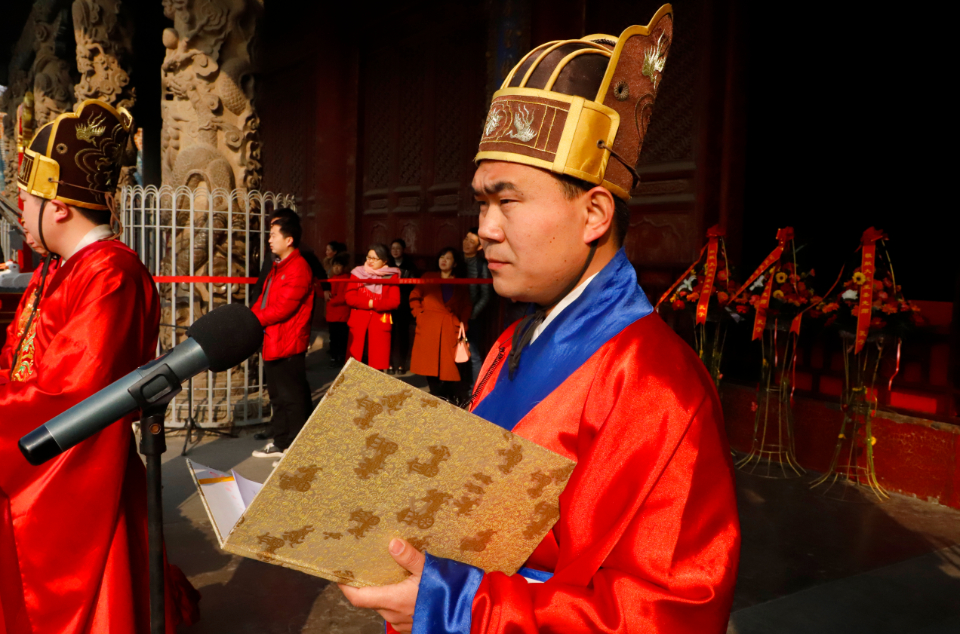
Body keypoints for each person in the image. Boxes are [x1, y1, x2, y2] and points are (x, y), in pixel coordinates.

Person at [340, 8, 740, 634]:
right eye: (481, 203)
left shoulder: (657, 387)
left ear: (594, 213)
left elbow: (667, 616)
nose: (486, 229)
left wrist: (456, 605)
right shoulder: (510, 340)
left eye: (508, 201)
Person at [0, 99, 199, 633]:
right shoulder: (58, 271)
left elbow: (70, 397)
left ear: (60, 206)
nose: (19, 211)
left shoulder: (111, 275)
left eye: (26, 199)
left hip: (82, 477)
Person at [250, 212, 315, 464]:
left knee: (292, 398)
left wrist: (254, 320)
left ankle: (297, 449)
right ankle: (281, 442)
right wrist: (252, 318)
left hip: (287, 342)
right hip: (272, 340)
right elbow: (265, 300)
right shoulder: (279, 266)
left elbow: (283, 308)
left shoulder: (298, 268)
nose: (269, 239)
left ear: (289, 240)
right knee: (277, 396)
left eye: (273, 235)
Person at [409, 247, 472, 403]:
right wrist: (419, 315)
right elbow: (414, 296)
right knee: (429, 363)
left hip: (450, 327)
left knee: (448, 365)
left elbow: (466, 305)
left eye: (448, 258)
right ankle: (436, 395)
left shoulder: (460, 282)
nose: (443, 260)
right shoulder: (428, 276)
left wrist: (463, 324)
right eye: (441, 257)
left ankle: (448, 396)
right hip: (428, 325)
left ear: (455, 263)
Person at [345, 244, 400, 370]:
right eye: (369, 257)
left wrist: (373, 304)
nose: (370, 261)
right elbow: (350, 297)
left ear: (385, 261)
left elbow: (394, 301)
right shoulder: (357, 273)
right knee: (356, 364)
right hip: (358, 323)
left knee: (376, 366)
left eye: (375, 258)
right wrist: (369, 303)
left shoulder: (392, 275)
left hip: (379, 323)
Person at [462, 227, 491, 386]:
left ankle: (475, 390)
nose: (466, 243)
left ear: (479, 247)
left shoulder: (482, 266)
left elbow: (486, 294)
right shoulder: (456, 261)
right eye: (466, 238)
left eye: (471, 241)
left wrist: (472, 314)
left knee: (474, 354)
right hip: (454, 315)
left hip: (473, 316)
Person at [388, 238, 419, 374]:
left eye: (398, 248)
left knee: (403, 335)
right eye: (393, 248)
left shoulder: (410, 266)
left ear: (403, 250)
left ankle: (401, 364)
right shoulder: (386, 265)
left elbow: (413, 286)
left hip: (404, 304)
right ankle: (388, 363)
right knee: (389, 335)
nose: (395, 251)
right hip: (389, 305)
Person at [325, 251, 352, 365]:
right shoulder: (331, 279)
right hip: (331, 314)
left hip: (342, 314)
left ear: (344, 267)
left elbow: (344, 296)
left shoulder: (347, 279)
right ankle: (334, 356)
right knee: (333, 337)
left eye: (338, 265)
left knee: (342, 337)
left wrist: (331, 301)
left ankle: (340, 357)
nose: (336, 268)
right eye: (334, 265)